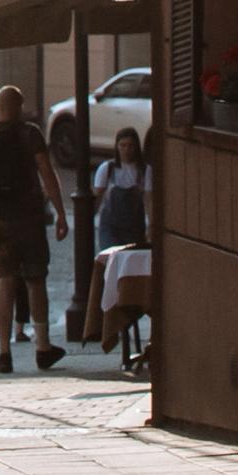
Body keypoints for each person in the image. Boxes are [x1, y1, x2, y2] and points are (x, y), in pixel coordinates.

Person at [0, 84, 68, 373]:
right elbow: (48, 175)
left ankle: (4, 352)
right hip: (30, 219)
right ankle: (43, 347)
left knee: (3, 281)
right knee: (35, 281)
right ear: (20, 108)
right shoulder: (31, 135)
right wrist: (60, 213)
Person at [89, 125, 153, 371]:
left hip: (133, 229)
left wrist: (151, 226)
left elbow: (148, 201)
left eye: (130, 146)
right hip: (111, 229)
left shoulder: (143, 172)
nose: (126, 150)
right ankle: (113, 318)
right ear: (117, 147)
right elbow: (98, 197)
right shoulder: (107, 170)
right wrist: (88, 220)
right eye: (122, 146)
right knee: (111, 272)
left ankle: (128, 318)